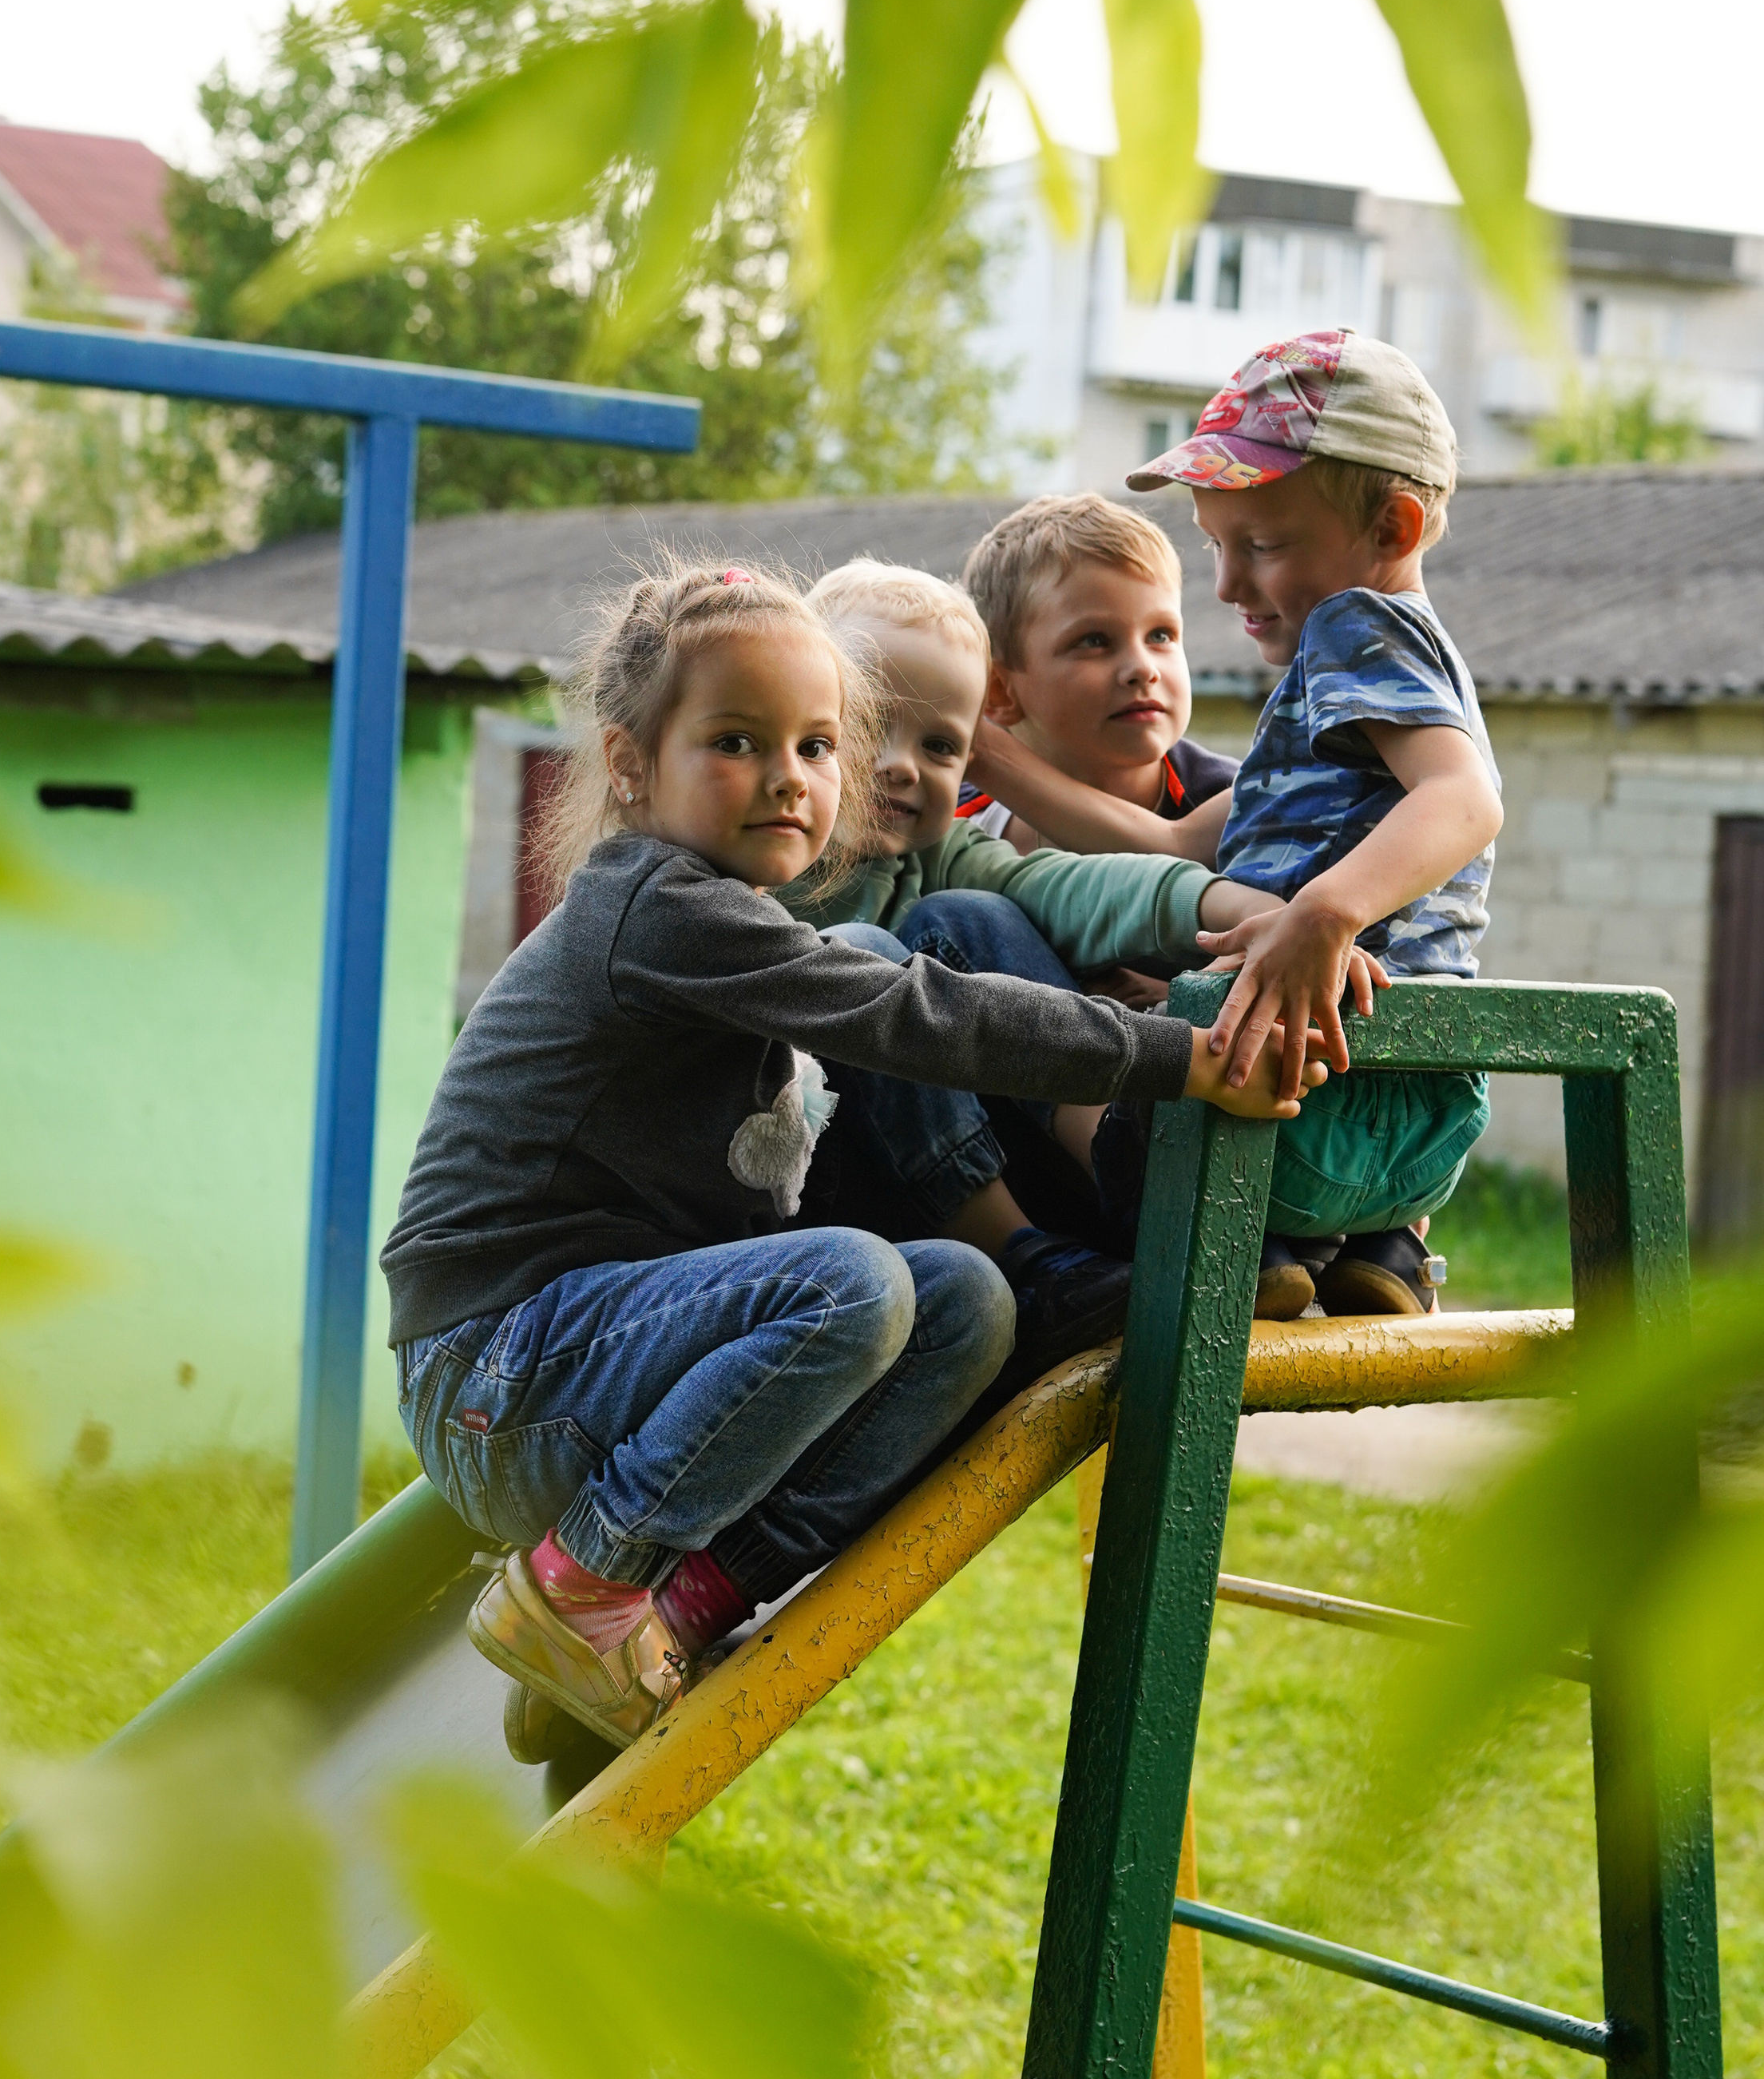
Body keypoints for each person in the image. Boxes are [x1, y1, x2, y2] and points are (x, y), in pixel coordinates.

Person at [381, 558, 1322, 1757]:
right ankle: (583, 1588)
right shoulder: (659, 907)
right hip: (495, 1377)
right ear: (629, 766)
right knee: (854, 1281)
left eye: (817, 747)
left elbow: (1016, 925)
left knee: (964, 1303)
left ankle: (681, 1605)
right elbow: (923, 1014)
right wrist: (1176, 1055)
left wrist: (1224, 912)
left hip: (611, 1370)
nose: (789, 778)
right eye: (737, 741)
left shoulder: (759, 913)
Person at [779, 555, 1291, 1373]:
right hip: (805, 1185)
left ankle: (1152, 1201)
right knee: (866, 961)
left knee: (980, 915)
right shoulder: (748, 857)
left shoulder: (937, 854)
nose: (906, 765)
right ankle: (1024, 1258)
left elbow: (1069, 885)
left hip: (940, 1159)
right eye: (871, 725)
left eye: (942, 745)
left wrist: (1226, 907)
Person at [1111, 326, 1504, 1319]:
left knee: (1118, 1111)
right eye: (1217, 547)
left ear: (1394, 527)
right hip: (1425, 1108)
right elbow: (1166, 843)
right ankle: (1381, 1249)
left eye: (1263, 545)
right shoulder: (1347, 719)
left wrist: (1324, 913)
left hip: (1297, 1078)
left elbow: (1465, 801)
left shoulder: (1354, 626)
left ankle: (1262, 1245)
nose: (1228, 586)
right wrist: (994, 761)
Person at [953, 493, 1242, 866]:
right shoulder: (949, 824)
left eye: (1161, 635)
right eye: (1095, 641)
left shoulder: (1237, 800)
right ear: (999, 692)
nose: (1143, 669)